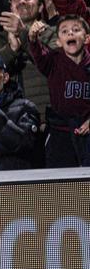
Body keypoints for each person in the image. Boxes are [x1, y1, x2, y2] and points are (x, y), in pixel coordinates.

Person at [28, 15, 90, 167]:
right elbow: (39, 55)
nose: (70, 33)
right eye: (64, 31)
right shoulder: (53, 60)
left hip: (87, 132)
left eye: (76, 30)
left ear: (87, 38)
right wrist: (33, 39)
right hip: (60, 133)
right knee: (60, 178)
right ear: (58, 42)